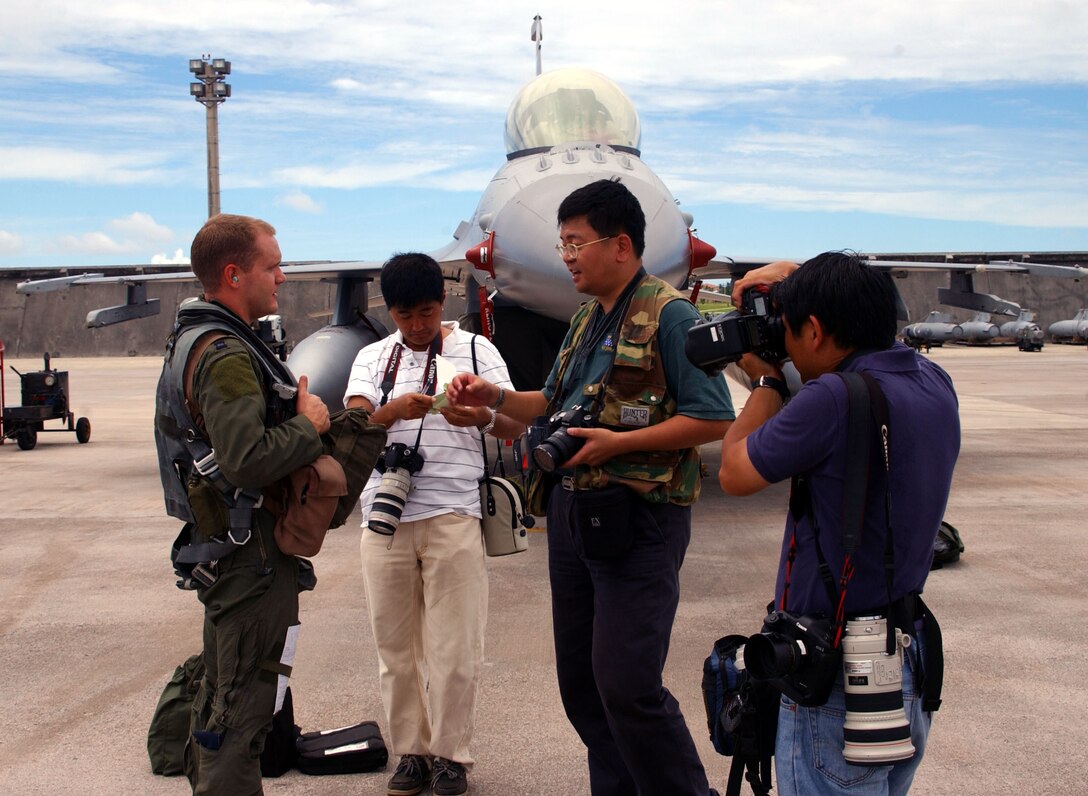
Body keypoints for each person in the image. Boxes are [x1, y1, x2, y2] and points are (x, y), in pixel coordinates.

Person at [447, 178, 733, 796]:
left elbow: (713, 415)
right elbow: (550, 405)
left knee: (629, 687)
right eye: (563, 243)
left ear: (621, 245)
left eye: (576, 242)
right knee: (583, 688)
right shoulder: (585, 318)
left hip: (641, 523)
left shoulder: (670, 314)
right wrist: (490, 401)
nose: (567, 255)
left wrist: (621, 443)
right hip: (574, 521)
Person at [718, 252, 960, 795]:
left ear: (816, 329)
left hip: (836, 673)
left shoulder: (831, 398)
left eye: (791, 332)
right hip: (906, 653)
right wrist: (789, 273)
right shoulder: (932, 380)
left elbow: (734, 472)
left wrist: (767, 383)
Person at [154, 214, 331, 795]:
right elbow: (248, 460)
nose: (281, 277)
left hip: (230, 551)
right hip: (250, 556)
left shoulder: (195, 338)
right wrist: (308, 426)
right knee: (241, 713)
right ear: (233, 274)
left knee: (221, 697)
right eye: (271, 266)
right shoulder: (226, 353)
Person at [344, 253, 520, 796]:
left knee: (456, 647)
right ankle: (411, 753)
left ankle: (450, 756)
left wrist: (483, 415)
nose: (417, 326)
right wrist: (394, 410)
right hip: (385, 517)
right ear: (389, 311)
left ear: (443, 303)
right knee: (393, 649)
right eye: (404, 315)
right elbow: (354, 422)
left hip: (454, 513)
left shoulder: (476, 349)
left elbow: (514, 424)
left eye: (425, 312)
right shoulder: (373, 357)